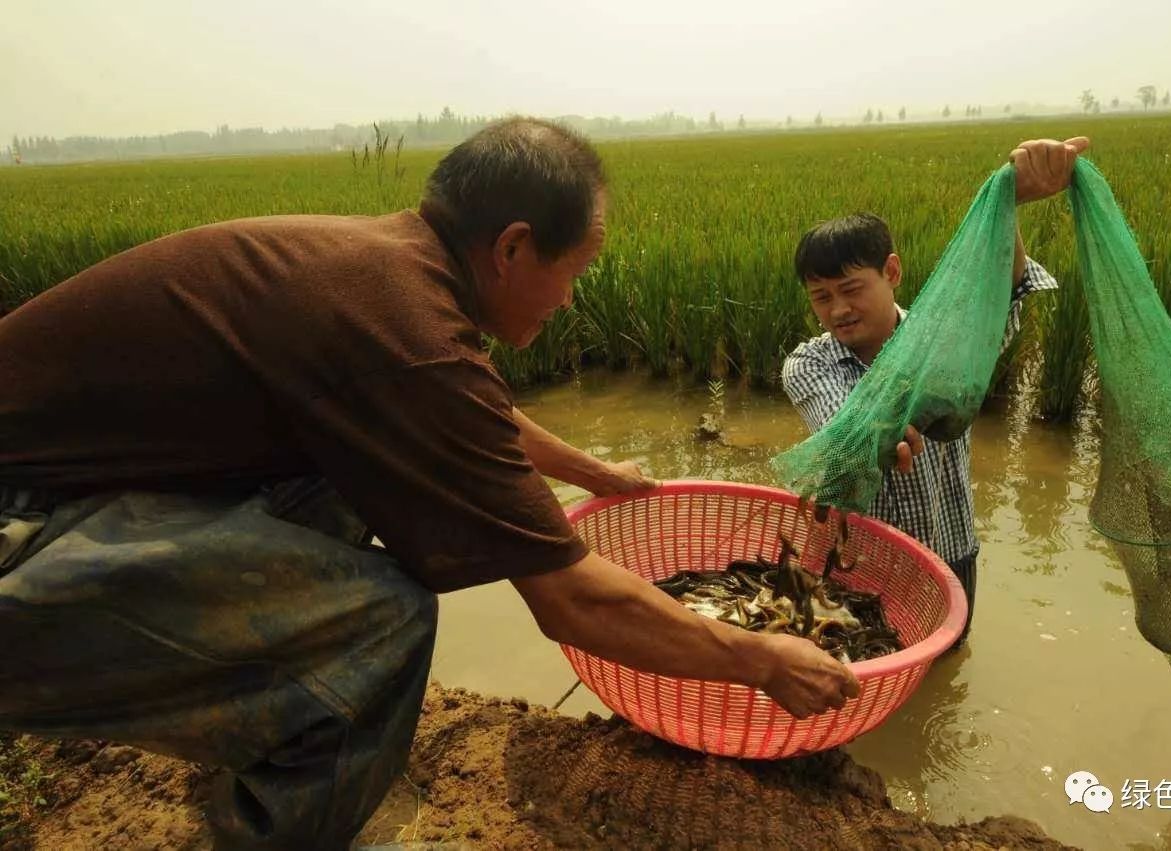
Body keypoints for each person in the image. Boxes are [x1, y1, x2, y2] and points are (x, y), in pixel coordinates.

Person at [0, 118, 859, 850]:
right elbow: (573, 604)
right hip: (22, 534)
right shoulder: (401, 326)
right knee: (389, 615)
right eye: (577, 269)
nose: (572, 298)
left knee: (343, 488)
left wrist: (594, 472)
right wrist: (759, 659)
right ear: (513, 247)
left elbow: (460, 414)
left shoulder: (384, 272)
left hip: (61, 497)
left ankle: (268, 735)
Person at [781, 137, 1089, 644]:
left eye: (852, 289)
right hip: (864, 565)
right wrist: (888, 430)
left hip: (951, 551)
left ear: (892, 272)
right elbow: (847, 431)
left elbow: (1002, 293)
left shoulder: (947, 344)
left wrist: (1005, 199)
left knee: (947, 670)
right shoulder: (809, 364)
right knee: (866, 672)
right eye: (821, 297)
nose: (838, 309)